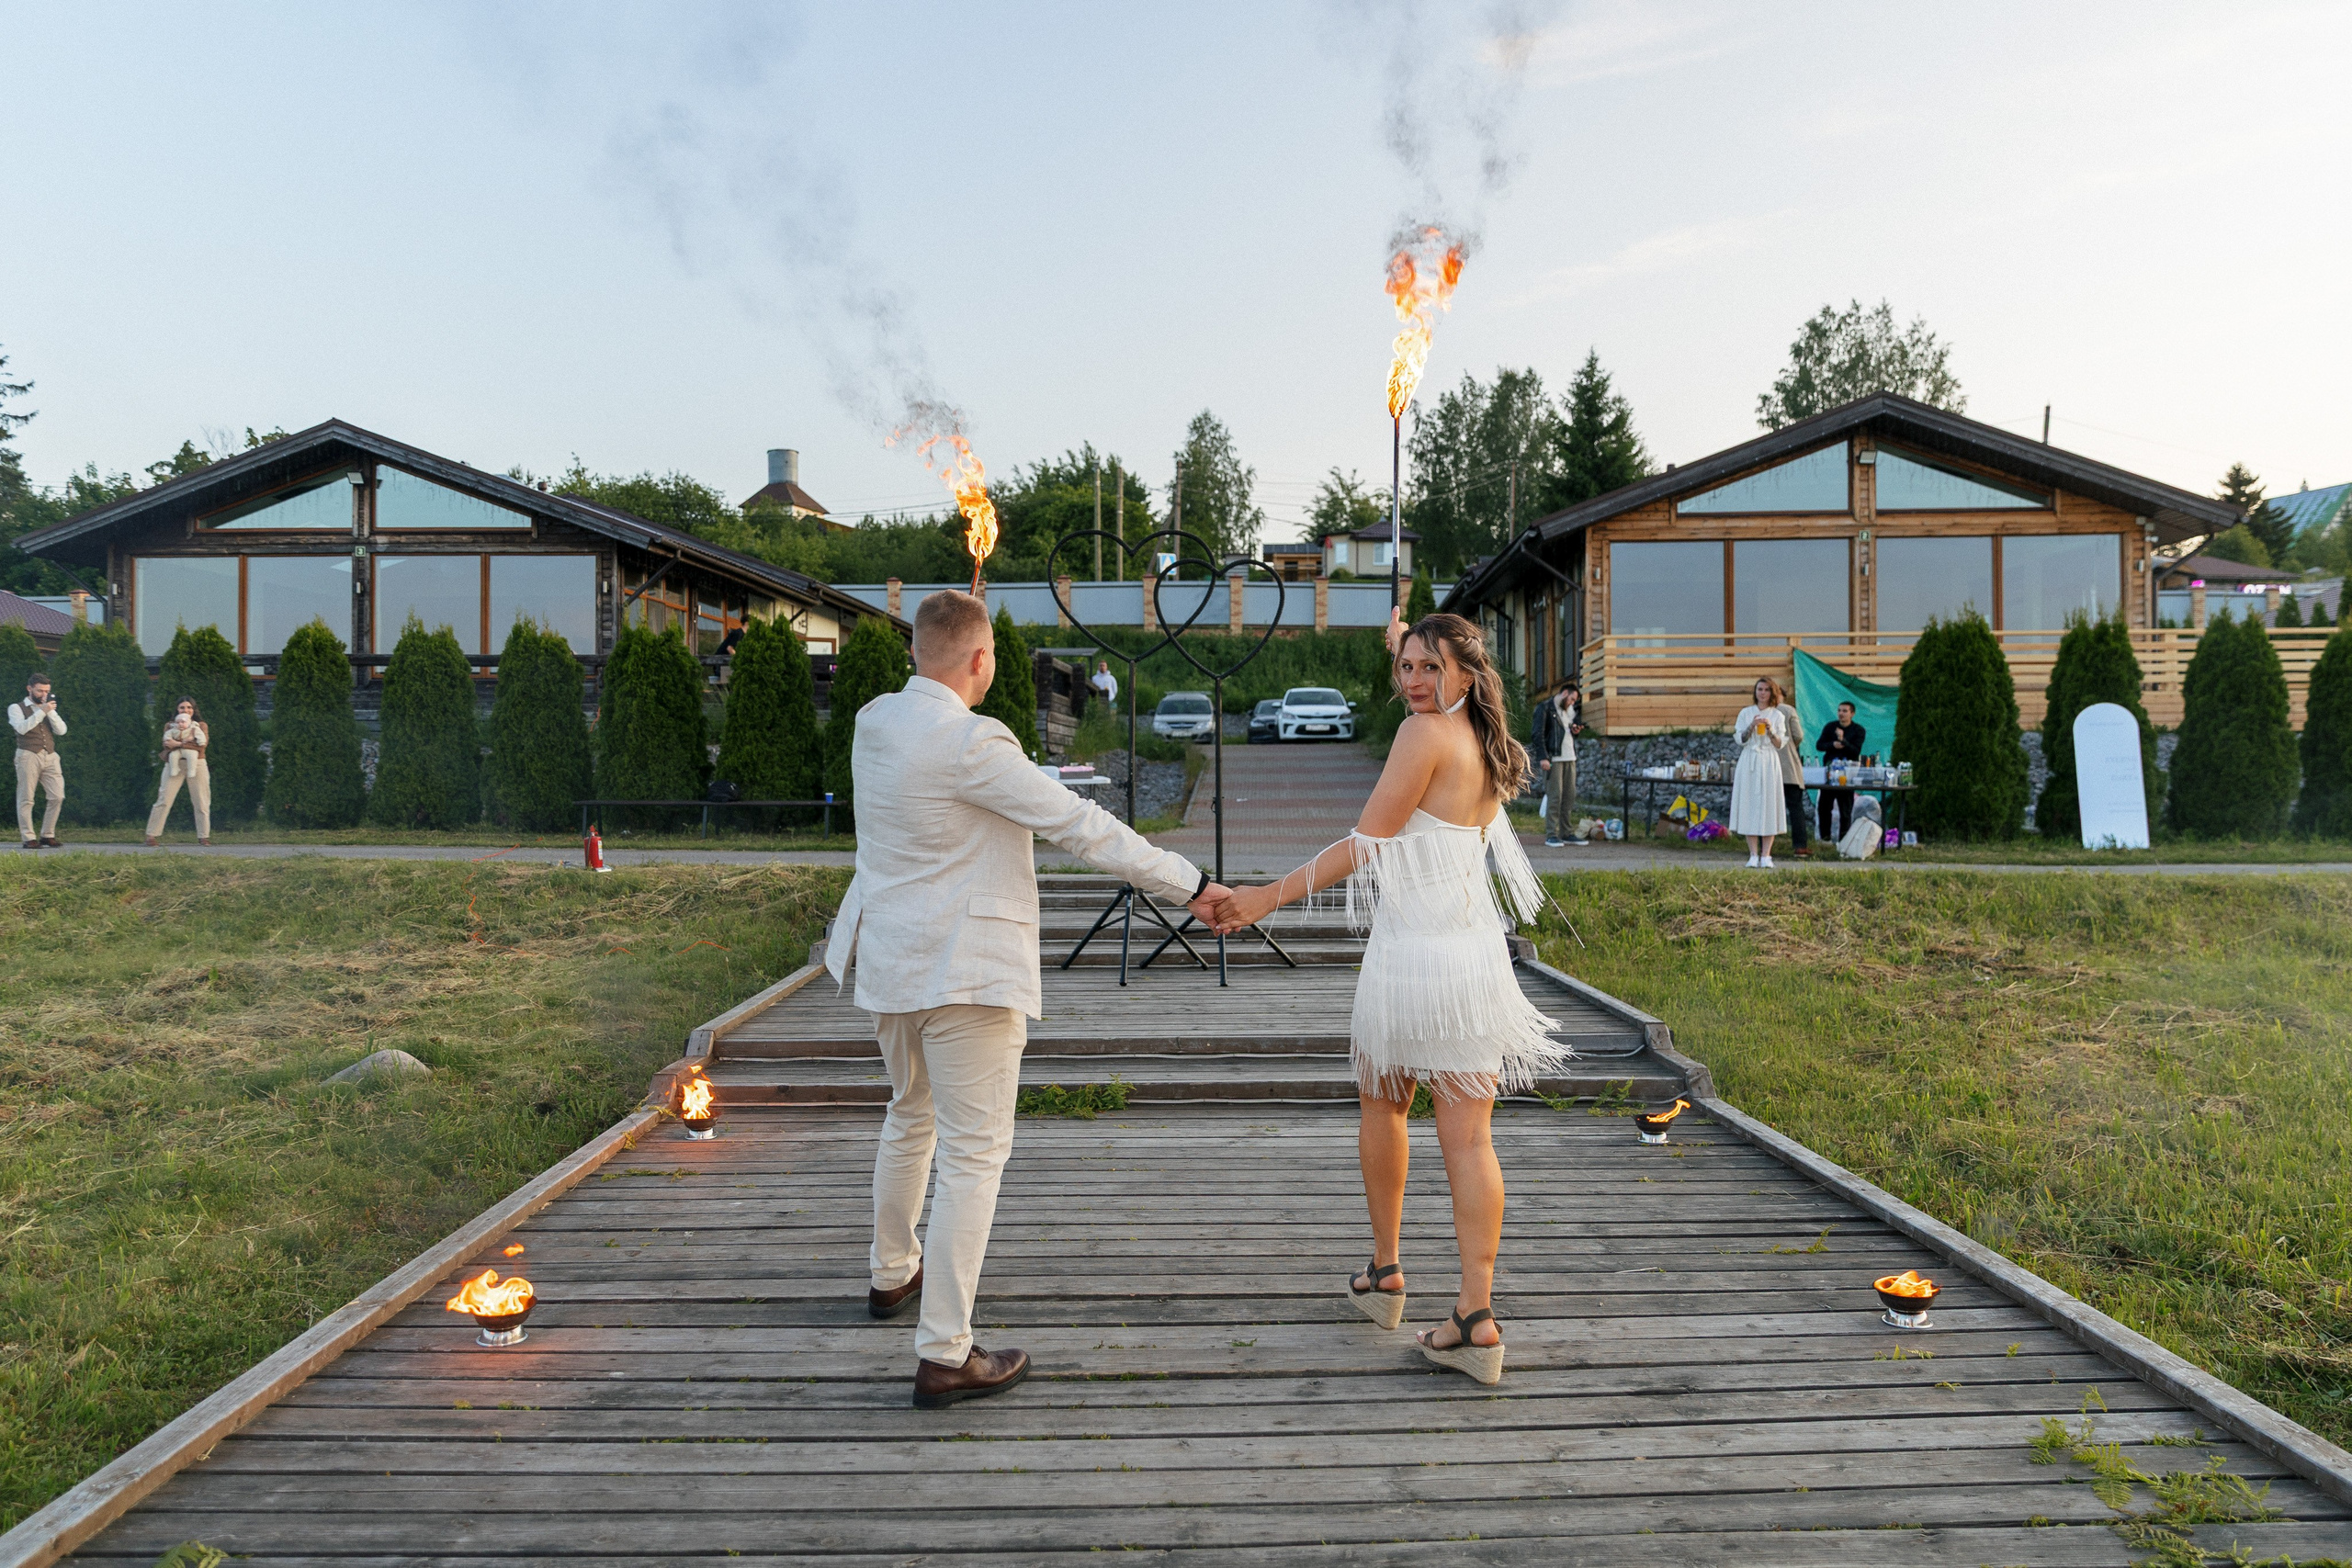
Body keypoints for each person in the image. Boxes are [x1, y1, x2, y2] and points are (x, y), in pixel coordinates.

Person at [824, 589, 1227, 1409]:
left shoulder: (874, 721)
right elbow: (1082, 826)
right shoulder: (975, 742)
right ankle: (945, 1350)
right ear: (980, 660)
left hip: (889, 962)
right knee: (974, 1154)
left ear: (914, 653)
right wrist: (1192, 884)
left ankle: (891, 1272)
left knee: (911, 1113)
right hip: (964, 971)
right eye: (990, 654)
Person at [1209, 609, 1561, 1386]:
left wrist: (1269, 895)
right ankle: (1476, 1311)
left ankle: (1387, 1268)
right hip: (1473, 955)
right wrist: (1411, 645)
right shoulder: (1484, 740)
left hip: (1410, 955)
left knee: (1383, 1101)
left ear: (1464, 674)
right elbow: (1428, 794)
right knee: (1470, 1139)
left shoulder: (1421, 736)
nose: (1412, 681)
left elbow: (1366, 844)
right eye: (1403, 667)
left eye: (1428, 668)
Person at [1728, 676, 1789, 869]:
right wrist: (1751, 727)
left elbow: (1780, 744)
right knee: (1750, 804)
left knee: (1769, 804)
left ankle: (1766, 854)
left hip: (1769, 760)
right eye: (1759, 689)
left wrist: (1770, 730)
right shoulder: (1746, 713)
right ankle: (1753, 854)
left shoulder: (1778, 716)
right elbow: (1741, 739)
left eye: (1766, 690)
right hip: (1750, 760)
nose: (1762, 693)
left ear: (1771, 693)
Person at [146, 697, 212, 847]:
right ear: (177, 710)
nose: (186, 710)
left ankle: (204, 836)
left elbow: (201, 746)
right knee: (164, 799)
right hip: (173, 764)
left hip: (197, 764)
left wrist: (179, 743)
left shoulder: (200, 726)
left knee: (201, 801)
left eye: (189, 707)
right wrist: (185, 743)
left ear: (194, 710)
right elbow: (167, 744)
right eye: (182, 708)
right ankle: (151, 835)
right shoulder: (170, 726)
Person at [10, 673, 66, 850]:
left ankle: (47, 834)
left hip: (50, 755)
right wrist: (42, 711)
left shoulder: (48, 707)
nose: (43, 694)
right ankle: (28, 837)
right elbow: (22, 728)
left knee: (58, 796)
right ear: (30, 689)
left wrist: (50, 712)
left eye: (47, 691)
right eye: (40, 690)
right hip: (28, 754)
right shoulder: (16, 707)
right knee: (26, 798)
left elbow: (61, 731)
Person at [1532, 680, 1581, 847]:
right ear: (1565, 693)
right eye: (1572, 699)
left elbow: (1565, 733)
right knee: (1555, 796)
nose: (1573, 703)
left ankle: (1566, 832)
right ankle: (1551, 834)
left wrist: (1575, 731)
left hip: (1570, 757)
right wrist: (1543, 757)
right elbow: (1537, 734)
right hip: (1554, 758)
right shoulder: (1544, 708)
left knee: (1569, 796)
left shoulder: (1569, 711)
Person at [1815, 701, 1866, 843]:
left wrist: (1843, 741)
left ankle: (1845, 840)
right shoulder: (1830, 727)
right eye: (1839, 710)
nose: (1841, 714)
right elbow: (1819, 745)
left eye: (1845, 711)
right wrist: (1832, 744)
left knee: (1845, 808)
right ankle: (1825, 838)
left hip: (1848, 773)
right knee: (1825, 806)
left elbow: (1856, 750)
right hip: (1831, 771)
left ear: (1852, 714)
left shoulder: (1858, 730)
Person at [1775, 700, 1811, 859]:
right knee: (1796, 808)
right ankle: (1800, 846)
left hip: (1768, 767)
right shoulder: (1788, 710)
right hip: (1788, 766)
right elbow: (1798, 735)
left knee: (1767, 807)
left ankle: (1763, 845)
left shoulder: (1760, 710)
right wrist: (1790, 747)